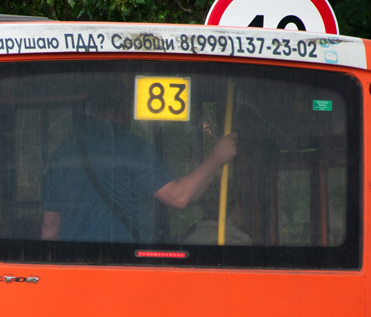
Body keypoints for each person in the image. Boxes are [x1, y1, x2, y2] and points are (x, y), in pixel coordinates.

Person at [39, 87, 237, 243]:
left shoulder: (62, 154)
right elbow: (179, 197)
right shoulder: (131, 147)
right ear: (123, 109)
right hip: (125, 267)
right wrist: (217, 157)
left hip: (73, 269)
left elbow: (50, 226)